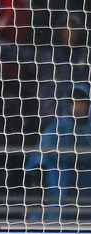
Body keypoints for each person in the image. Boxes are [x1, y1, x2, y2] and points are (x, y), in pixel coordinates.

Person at [24, 84, 91, 220]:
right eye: (73, 102)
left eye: (82, 102)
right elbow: (37, 163)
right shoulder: (55, 128)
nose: (78, 107)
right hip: (57, 185)